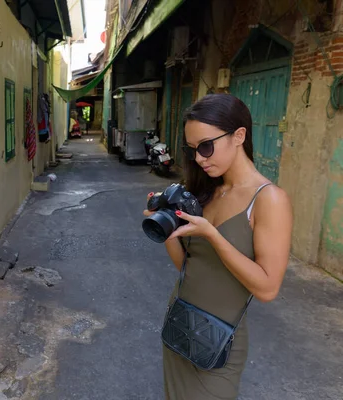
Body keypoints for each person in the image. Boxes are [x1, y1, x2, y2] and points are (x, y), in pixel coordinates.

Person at [143, 94, 293, 399]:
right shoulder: (206, 191)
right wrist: (168, 227)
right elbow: (188, 267)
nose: (199, 158)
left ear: (239, 136)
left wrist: (212, 235)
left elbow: (267, 289)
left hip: (218, 341)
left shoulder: (269, 199)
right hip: (180, 325)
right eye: (192, 149)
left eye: (206, 146)